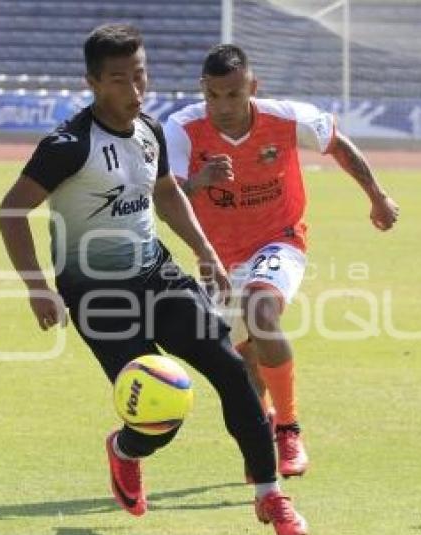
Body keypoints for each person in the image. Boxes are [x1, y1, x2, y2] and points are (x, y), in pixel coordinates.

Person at [0, 25, 307, 535]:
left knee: (231, 367)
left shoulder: (150, 129)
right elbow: (11, 212)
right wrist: (37, 286)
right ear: (93, 82)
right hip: (97, 293)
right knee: (163, 412)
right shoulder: (67, 146)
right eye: (120, 79)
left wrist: (203, 250)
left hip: (157, 273)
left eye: (140, 75)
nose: (135, 90)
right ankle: (124, 450)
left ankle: (270, 495)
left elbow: (165, 192)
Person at [163, 44, 400, 479]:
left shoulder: (286, 118)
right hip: (220, 259)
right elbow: (168, 197)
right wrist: (201, 180)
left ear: (253, 86)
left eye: (234, 94)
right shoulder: (181, 128)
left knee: (261, 308)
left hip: (280, 239)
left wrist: (377, 197)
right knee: (242, 358)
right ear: (203, 90)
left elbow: (337, 143)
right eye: (214, 95)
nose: (224, 106)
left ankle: (289, 429)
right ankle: (264, 429)